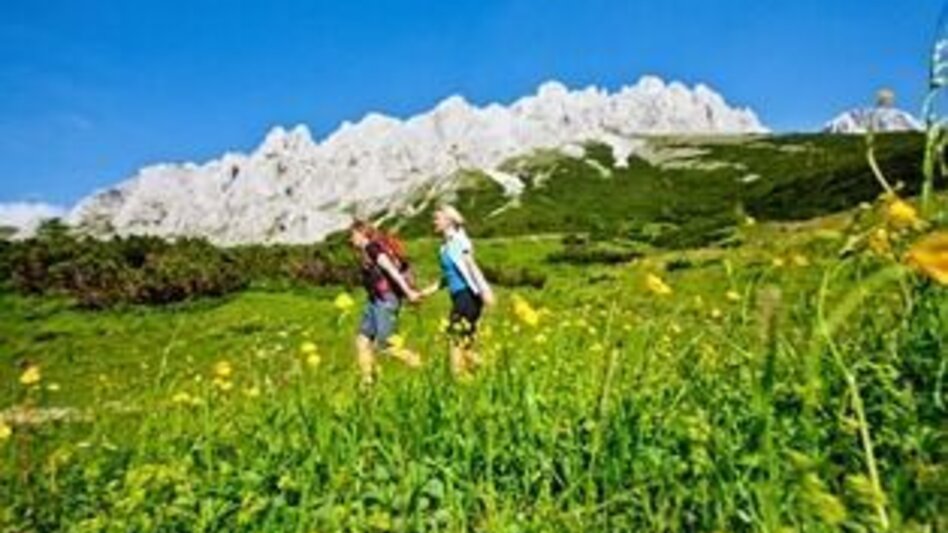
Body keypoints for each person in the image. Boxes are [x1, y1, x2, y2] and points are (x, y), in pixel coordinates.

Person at [420, 206, 495, 377]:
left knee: (455, 342)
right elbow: (449, 276)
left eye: (437, 218)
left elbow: (471, 266)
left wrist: (485, 290)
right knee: (464, 347)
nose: (434, 222)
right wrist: (428, 291)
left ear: (449, 221)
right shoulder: (444, 247)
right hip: (459, 297)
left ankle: (459, 380)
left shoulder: (459, 241)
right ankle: (492, 371)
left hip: (467, 296)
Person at [349, 220, 421, 385]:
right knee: (362, 339)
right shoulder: (367, 251)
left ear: (362, 234)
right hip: (374, 301)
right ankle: (367, 382)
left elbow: (391, 269)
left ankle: (415, 361)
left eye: (353, 235)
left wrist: (408, 292)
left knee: (385, 345)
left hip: (385, 300)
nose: (351, 239)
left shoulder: (373, 248)